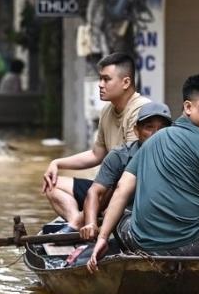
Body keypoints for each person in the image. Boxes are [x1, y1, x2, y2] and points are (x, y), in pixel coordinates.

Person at [86, 74, 199, 278]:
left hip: (141, 245)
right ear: (188, 107)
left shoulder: (150, 141)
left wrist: (102, 237)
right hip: (197, 246)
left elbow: (121, 190)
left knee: (124, 216)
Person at [42, 52, 150, 230]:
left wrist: (91, 208)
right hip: (107, 186)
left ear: (126, 82)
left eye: (106, 79)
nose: (100, 85)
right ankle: (76, 221)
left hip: (131, 191)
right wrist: (57, 163)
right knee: (52, 184)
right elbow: (96, 154)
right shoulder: (107, 111)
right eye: (100, 79)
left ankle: (81, 221)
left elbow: (128, 173)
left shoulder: (141, 111)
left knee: (104, 194)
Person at [78, 101, 173, 241]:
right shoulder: (119, 156)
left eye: (162, 128)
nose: (156, 134)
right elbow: (95, 192)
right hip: (128, 218)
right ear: (136, 131)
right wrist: (91, 223)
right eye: (149, 127)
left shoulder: (178, 156)